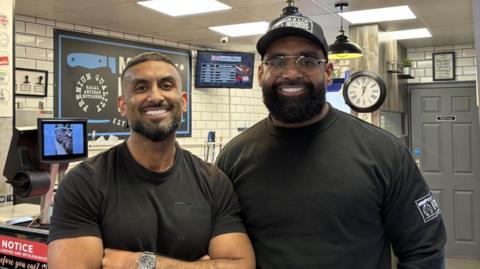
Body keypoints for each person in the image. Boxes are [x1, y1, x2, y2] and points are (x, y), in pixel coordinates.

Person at [215, 2, 446, 269]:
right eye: (277, 61)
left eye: (308, 60)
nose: (291, 73)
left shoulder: (384, 152)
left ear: (327, 73)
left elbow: (425, 250)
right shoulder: (234, 158)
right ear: (260, 74)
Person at [48, 52, 255, 269]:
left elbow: (241, 265)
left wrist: (142, 263)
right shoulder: (84, 183)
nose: (155, 96)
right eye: (140, 88)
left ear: (183, 102)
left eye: (166, 85)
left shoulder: (214, 182)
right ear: (122, 105)